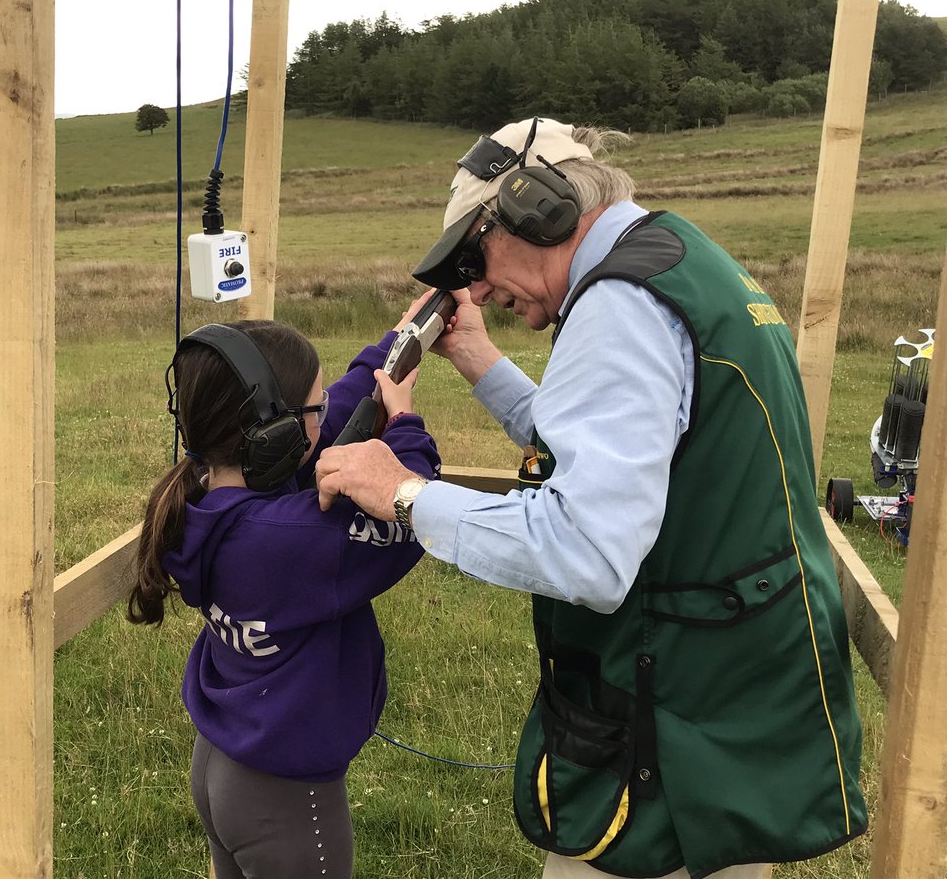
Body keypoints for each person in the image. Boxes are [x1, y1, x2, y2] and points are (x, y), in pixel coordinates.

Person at [315, 117, 866, 879]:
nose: (473, 287)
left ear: (538, 208)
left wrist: (403, 492)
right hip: (727, 707)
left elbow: (586, 551)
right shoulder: (676, 262)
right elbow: (617, 451)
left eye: (474, 255)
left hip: (671, 723)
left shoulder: (619, 307)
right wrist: (477, 358)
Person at [128, 317, 439, 879]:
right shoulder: (292, 541)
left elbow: (342, 403)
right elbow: (414, 506)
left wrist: (397, 343)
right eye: (313, 409)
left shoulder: (205, 502)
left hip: (225, 762)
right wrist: (405, 424)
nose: (326, 415)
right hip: (287, 801)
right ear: (275, 435)